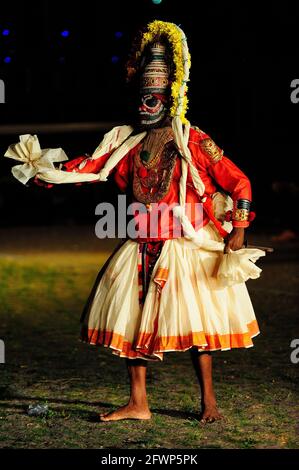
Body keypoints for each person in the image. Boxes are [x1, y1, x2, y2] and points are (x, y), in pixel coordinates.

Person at [4, 20, 264, 424]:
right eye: (141, 98)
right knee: (131, 325)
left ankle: (209, 401)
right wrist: (45, 172)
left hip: (185, 246)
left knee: (197, 327)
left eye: (153, 98)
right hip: (140, 244)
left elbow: (239, 181)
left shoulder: (192, 140)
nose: (144, 106)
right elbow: (91, 166)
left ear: (170, 97)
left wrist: (240, 230)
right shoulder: (126, 141)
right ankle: (138, 403)